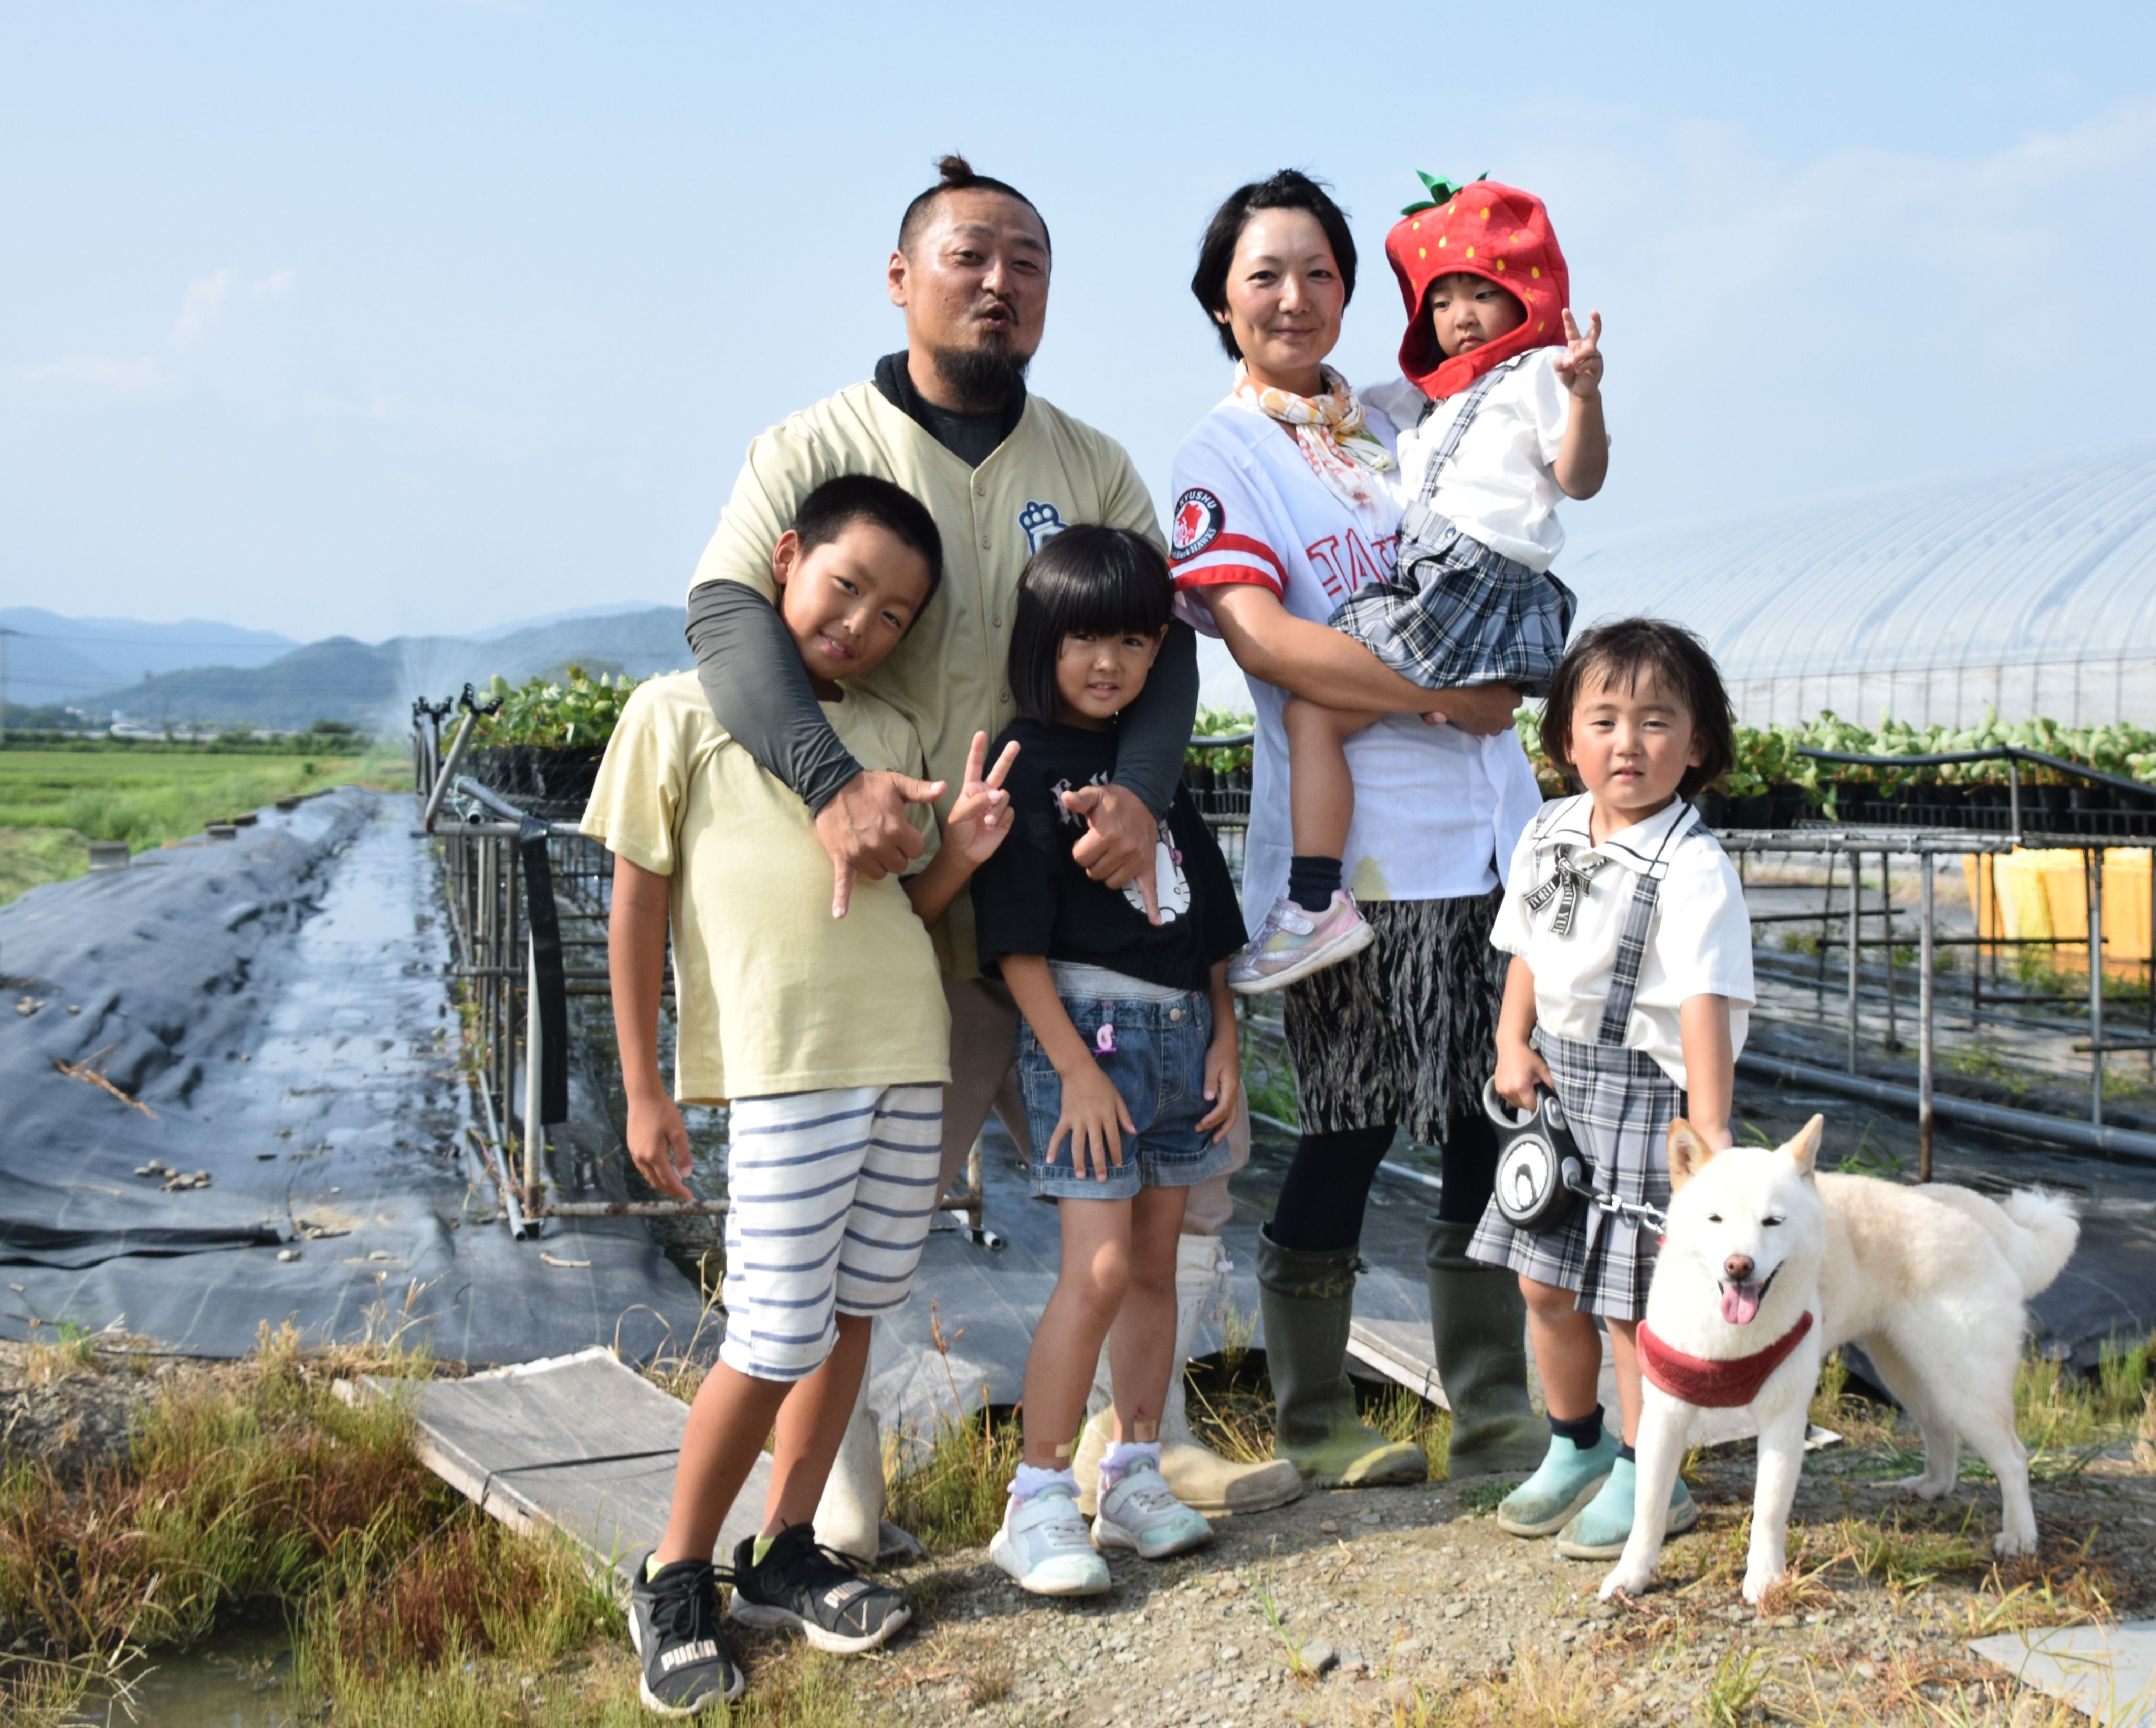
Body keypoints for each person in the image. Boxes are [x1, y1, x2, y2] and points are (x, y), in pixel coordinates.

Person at [683, 156, 1283, 1542]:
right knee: (857, 1250)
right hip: (899, 922)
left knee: (1158, 1215)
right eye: (968, 255)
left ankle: (1145, 1458)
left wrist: (1139, 793)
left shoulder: (1088, 464)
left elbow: (1168, 650)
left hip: (1076, 920)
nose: (998, 281)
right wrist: (831, 783)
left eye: (1027, 260)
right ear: (902, 278)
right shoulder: (810, 446)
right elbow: (727, 617)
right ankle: (831, 1523)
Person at [583, 475, 1021, 1713]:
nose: (861, 625)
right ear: (783, 559)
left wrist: (968, 853)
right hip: (784, 1064)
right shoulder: (680, 711)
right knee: (774, 1329)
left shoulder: (886, 727)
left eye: (894, 614)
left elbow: (911, 913)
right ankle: (675, 1572)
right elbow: (637, 904)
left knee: (857, 1308)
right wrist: (642, 1084)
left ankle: (783, 1548)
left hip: (906, 1044)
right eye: (846, 586)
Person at [1165, 169, 1546, 1489]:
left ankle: (1497, 1410)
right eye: (1264, 273)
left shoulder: (1406, 417)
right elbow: (1268, 642)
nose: (1294, 296)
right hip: (1355, 855)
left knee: (1496, 1116)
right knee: (1349, 1119)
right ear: (1222, 298)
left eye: (1321, 271)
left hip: (1490, 835)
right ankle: (1316, 1414)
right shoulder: (1222, 456)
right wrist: (1455, 695)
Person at [1233, 177, 1609, 994]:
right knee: (1315, 707)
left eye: (1485, 292)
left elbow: (1580, 479)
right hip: (1448, 582)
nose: (1463, 315)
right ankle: (1316, 898)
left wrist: (1585, 398)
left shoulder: (1540, 374)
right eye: (1443, 299)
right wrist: (1463, 702)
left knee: (1313, 709)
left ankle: (1311, 901)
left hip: (1470, 580)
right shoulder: (1428, 404)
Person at [967, 526, 1251, 1595]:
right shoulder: (1027, 761)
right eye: (1085, 637)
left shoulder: (1154, 773)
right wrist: (1074, 1071)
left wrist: (1225, 1032)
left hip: (1181, 1039)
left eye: (1134, 641)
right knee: (1093, 1267)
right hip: (1087, 1041)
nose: (1109, 662)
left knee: (1154, 1266)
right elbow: (1016, 945)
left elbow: (1208, 928)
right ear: (1040, 640)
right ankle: (1037, 1494)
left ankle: (1132, 1471)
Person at [1470, 618, 1758, 1562]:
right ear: (1564, 741)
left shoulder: (1693, 865)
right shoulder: (1550, 830)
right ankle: (1576, 1444)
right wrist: (1513, 1040)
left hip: (1648, 1096)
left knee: (1632, 1303)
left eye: (1656, 722)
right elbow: (1526, 946)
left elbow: (1705, 1002)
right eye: (1603, 721)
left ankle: (1650, 1474)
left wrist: (1708, 1131)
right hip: (1559, 1080)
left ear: (1698, 744)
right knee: (1544, 1281)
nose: (1628, 744)